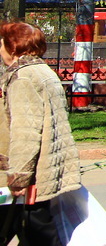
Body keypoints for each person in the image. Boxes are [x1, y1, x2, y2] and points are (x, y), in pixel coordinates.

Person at [0, 21, 83, 245]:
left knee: (36, 231)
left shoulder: (23, 78)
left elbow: (26, 132)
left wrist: (19, 177)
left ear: (13, 47)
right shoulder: (44, 71)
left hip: (32, 177)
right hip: (46, 170)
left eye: (2, 44)